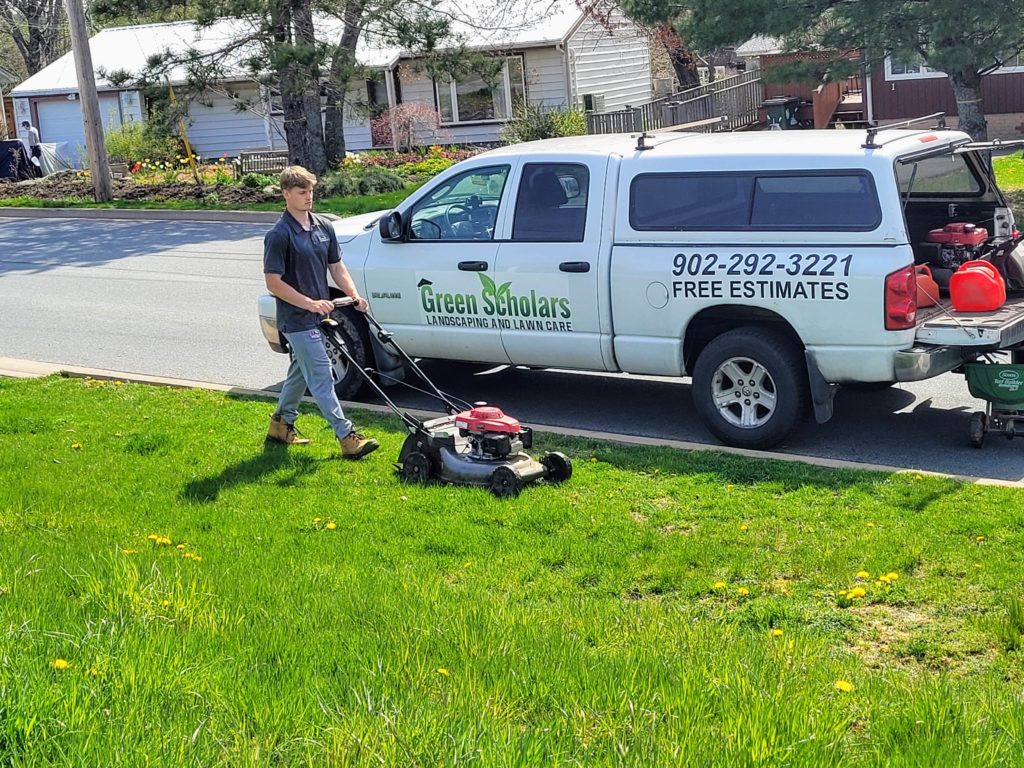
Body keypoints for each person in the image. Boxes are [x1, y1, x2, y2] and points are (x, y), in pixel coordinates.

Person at [263, 165, 379, 459]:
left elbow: (337, 267)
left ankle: (280, 424)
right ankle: (347, 437)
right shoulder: (279, 235)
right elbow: (273, 283)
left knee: (300, 373)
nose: (308, 197)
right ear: (286, 194)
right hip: (296, 319)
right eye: (302, 192)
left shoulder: (323, 226)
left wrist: (353, 294)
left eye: (311, 191)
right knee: (322, 374)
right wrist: (309, 303)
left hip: (318, 314)